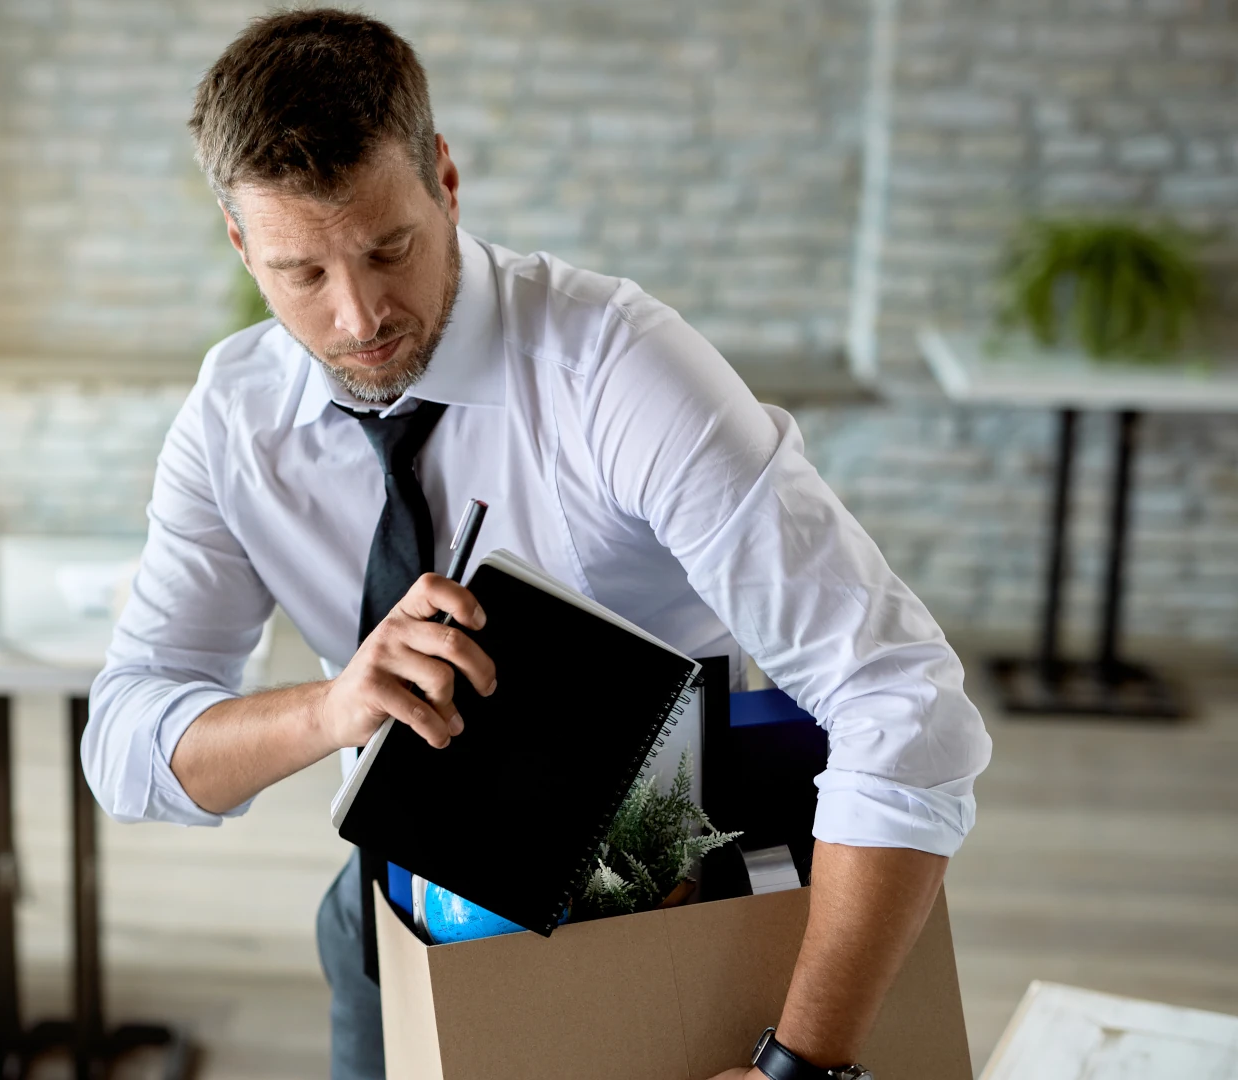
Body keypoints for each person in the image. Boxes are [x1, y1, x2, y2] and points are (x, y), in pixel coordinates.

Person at [84, 10, 992, 1080]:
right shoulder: (233, 419)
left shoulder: (618, 370)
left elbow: (902, 699)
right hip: (391, 924)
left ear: (446, 181)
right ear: (242, 245)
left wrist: (806, 1063)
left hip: (665, 924)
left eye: (390, 249)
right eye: (302, 274)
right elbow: (127, 746)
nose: (359, 316)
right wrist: (334, 710)